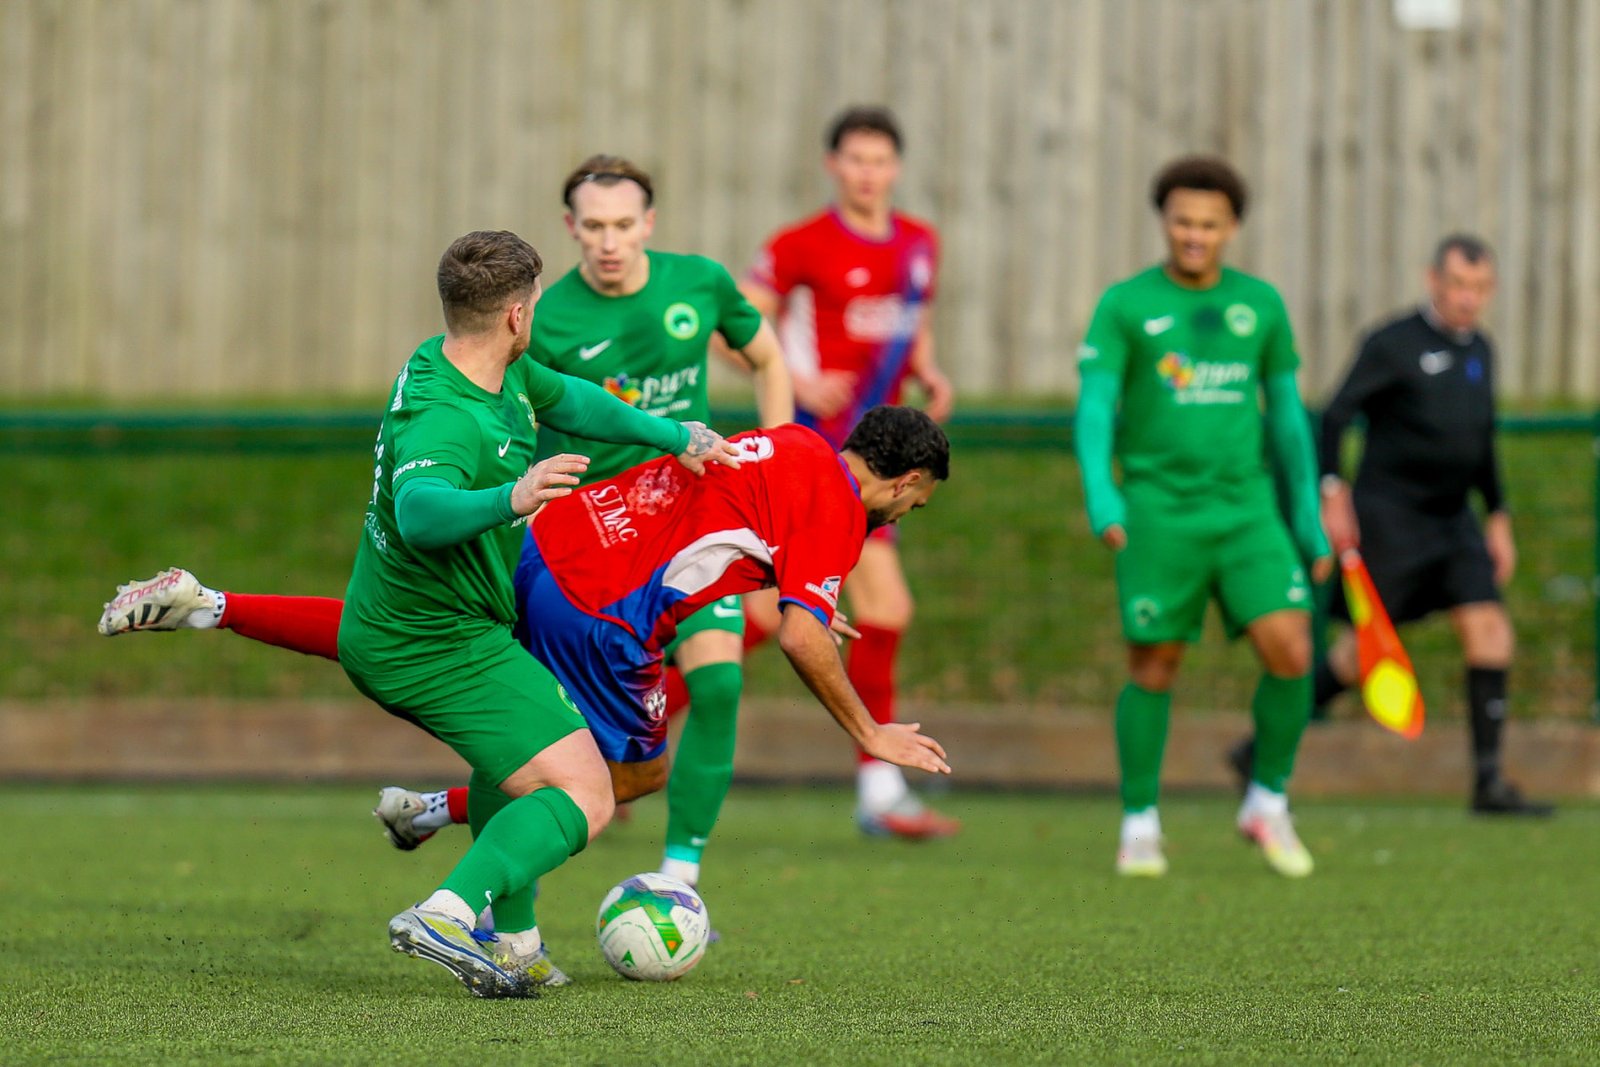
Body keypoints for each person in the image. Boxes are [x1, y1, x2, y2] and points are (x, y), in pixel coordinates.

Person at [100, 406, 955, 988]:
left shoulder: (798, 443)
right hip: (601, 613)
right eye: (918, 501)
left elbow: (736, 526)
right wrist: (870, 730)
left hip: (550, 539)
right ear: (908, 479)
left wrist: (809, 598)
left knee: (401, 641)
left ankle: (211, 605)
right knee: (623, 779)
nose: (909, 512)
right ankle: (455, 904)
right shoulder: (841, 513)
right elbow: (801, 635)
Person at [307, 229, 738, 998]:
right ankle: (445, 913)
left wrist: (677, 435)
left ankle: (514, 942)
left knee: (511, 770)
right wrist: (514, 494)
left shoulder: (472, 361)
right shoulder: (448, 415)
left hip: (456, 626)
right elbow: (419, 510)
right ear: (517, 313)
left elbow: (567, 396)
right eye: (533, 301)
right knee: (585, 793)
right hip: (430, 641)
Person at [1228, 235, 1552, 816]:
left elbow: (1481, 442)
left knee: (1490, 632)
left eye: (1480, 288)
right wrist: (1333, 491)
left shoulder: (1482, 349)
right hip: (1392, 520)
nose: (1468, 299)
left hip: (1454, 522)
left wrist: (1498, 515)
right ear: (1433, 280)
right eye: (1458, 285)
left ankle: (1488, 784)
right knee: (1359, 657)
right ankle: (1257, 748)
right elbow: (1336, 415)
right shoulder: (1393, 343)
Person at [1075, 156, 1331, 879]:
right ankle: (1139, 822)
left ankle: (1267, 801)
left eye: (1209, 224)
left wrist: (1307, 516)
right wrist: (1102, 494)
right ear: (1165, 221)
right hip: (1159, 510)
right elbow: (1095, 407)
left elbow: (1287, 417)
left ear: (1232, 228)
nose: (1195, 235)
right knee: (1155, 664)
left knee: (1292, 650)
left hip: (1247, 510)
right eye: (1183, 221)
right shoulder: (1125, 305)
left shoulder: (1261, 305)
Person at [740, 105, 959, 839]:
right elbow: (736, 329)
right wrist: (798, 380)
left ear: (897, 168)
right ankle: (880, 789)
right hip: (820, 459)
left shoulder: (919, 244)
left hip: (876, 472)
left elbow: (914, 325)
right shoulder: (800, 245)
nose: (868, 173)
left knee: (791, 618)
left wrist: (929, 370)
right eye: (856, 159)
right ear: (833, 165)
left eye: (880, 160)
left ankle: (618, 745)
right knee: (838, 613)